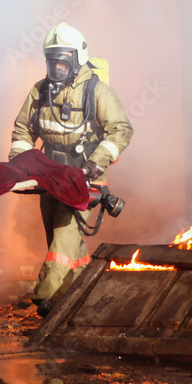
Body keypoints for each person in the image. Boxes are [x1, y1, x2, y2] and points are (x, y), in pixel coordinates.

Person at [8, 22, 133, 316]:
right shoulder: (40, 91)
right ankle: (83, 297)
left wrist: (95, 164)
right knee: (64, 244)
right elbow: (23, 129)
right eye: (51, 62)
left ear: (77, 59)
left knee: (63, 238)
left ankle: (47, 299)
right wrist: (21, 163)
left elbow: (121, 130)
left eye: (62, 62)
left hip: (83, 180)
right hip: (49, 178)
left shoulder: (97, 91)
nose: (56, 68)